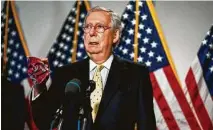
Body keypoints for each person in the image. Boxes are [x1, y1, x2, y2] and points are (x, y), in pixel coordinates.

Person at [30, 6, 156, 130]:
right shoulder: (65, 74)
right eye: (88, 27)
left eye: (99, 27)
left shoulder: (136, 74)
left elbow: (146, 125)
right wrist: (39, 85)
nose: (91, 33)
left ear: (115, 35)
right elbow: (45, 122)